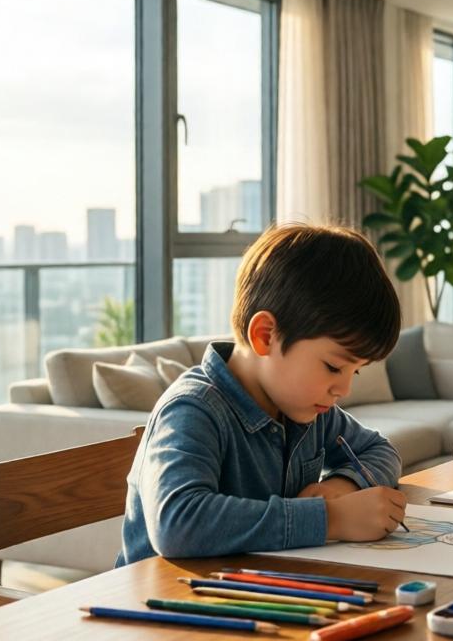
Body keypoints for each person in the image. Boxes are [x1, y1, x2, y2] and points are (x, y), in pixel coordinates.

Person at [116, 224, 408, 565]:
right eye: (333, 367)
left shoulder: (306, 410)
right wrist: (331, 519)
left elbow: (379, 451)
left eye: (353, 372)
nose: (343, 389)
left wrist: (339, 488)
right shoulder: (193, 409)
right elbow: (178, 522)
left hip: (255, 591)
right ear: (265, 335)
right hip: (161, 606)